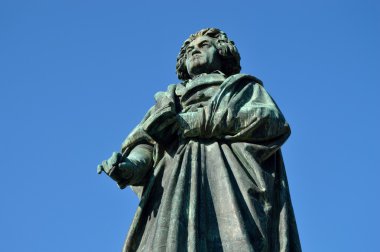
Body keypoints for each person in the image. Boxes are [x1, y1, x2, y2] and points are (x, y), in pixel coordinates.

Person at [98, 28, 301, 252]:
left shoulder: (243, 89)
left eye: (204, 45)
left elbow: (269, 120)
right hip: (172, 191)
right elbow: (146, 142)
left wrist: (193, 122)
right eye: (189, 50)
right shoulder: (169, 100)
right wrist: (130, 166)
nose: (195, 50)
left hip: (232, 186)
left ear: (222, 52)